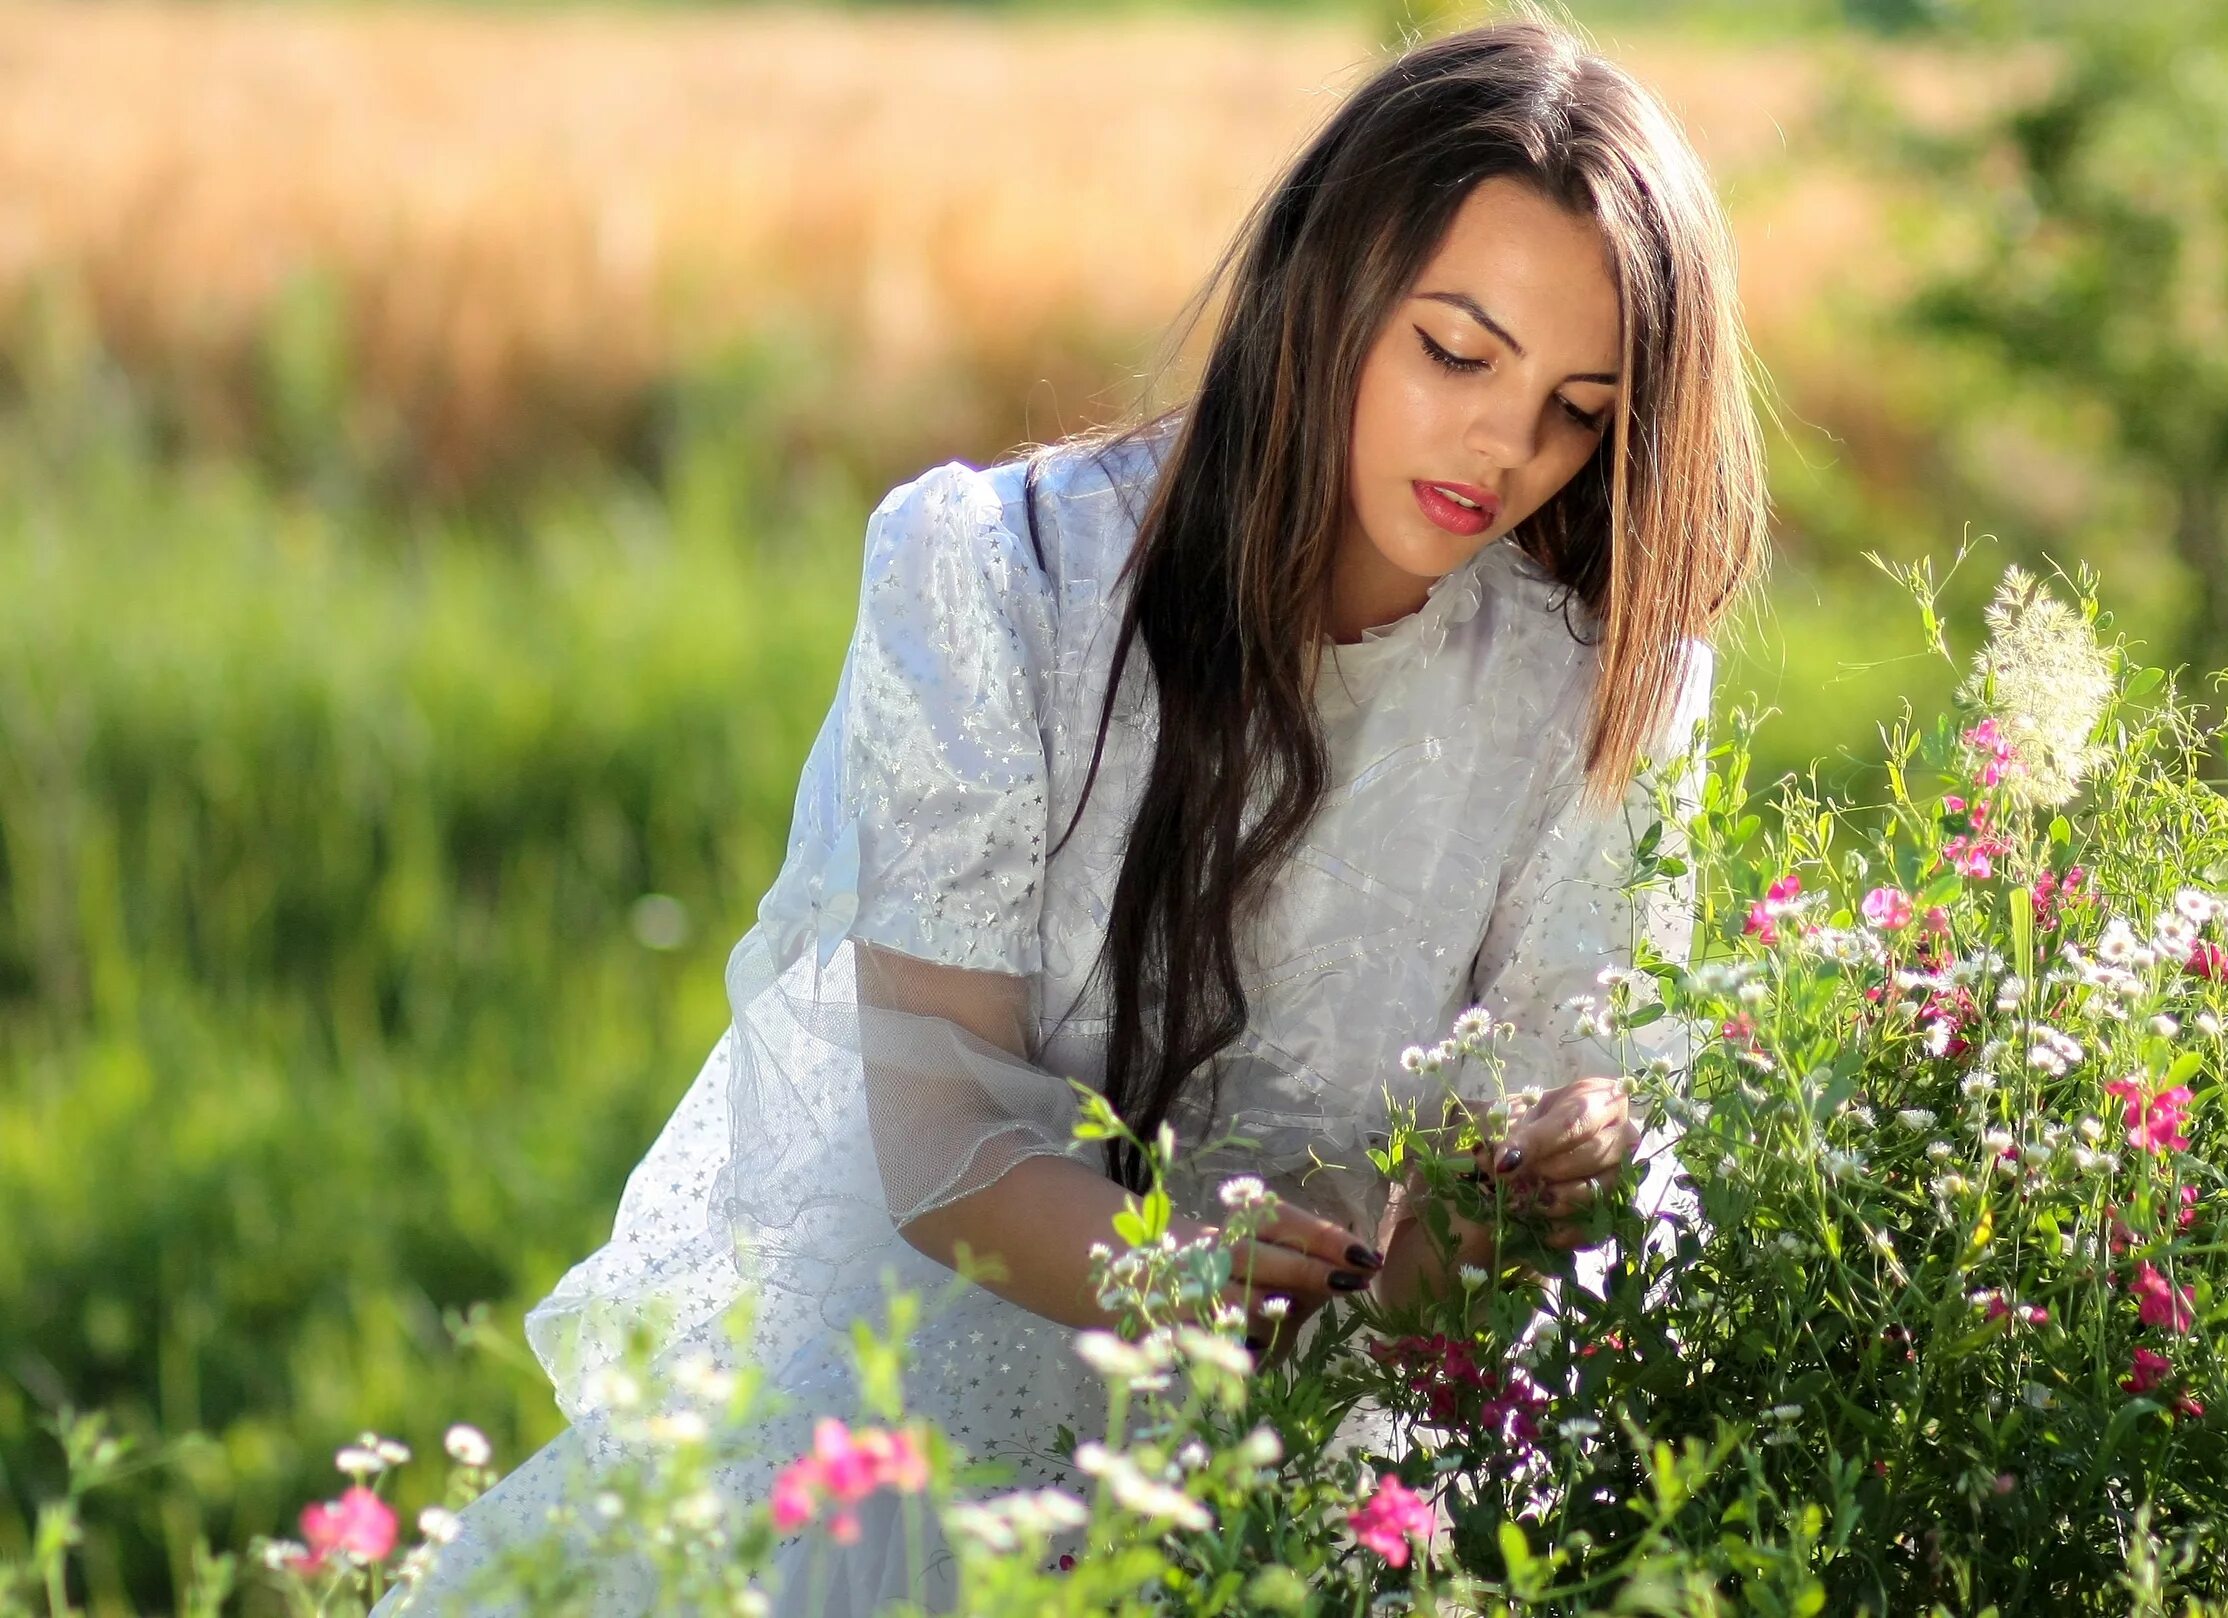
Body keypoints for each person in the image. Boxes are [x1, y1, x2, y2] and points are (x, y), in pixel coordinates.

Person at [377, 12, 1765, 1615]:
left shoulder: (1607, 681)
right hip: (939, 1416)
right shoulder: (998, 581)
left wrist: (1513, 1184)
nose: (1504, 447)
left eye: (1579, 407)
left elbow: (1476, 1247)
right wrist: (1167, 1277)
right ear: (1326, 286)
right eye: (1457, 351)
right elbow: (942, 1135)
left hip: (1329, 1464)